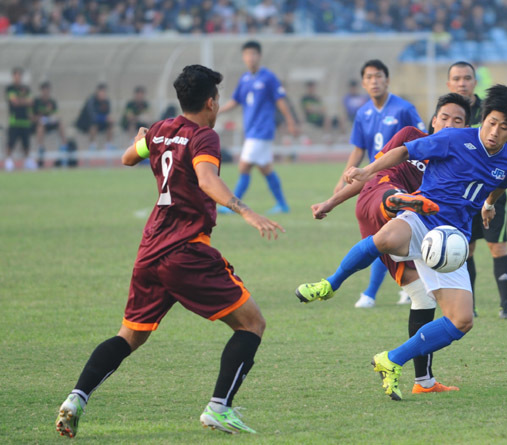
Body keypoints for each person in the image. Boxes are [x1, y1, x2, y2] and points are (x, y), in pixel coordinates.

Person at [55, 64, 284, 438]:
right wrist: (245, 210)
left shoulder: (161, 129)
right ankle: (219, 409)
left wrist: (140, 141)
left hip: (151, 250)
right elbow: (208, 179)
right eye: (218, 100)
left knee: (130, 335)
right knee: (252, 324)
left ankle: (76, 399)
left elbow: (128, 157)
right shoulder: (204, 137)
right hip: (186, 250)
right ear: (211, 102)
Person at [295, 84, 507, 401]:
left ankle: (391, 360)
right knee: (385, 238)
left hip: (451, 242)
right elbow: (406, 151)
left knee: (462, 320)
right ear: (483, 118)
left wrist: (489, 205)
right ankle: (330, 283)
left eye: (504, 128)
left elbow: (498, 184)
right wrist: (366, 171)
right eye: (491, 122)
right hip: (423, 218)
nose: (494, 132)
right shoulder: (453, 138)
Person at [303, 93, 472, 394]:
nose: (448, 124)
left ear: (465, 127)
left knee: (423, 296)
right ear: (433, 121)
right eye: (444, 118)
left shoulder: (458, 159)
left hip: (412, 228)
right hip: (380, 199)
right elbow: (372, 170)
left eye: (457, 121)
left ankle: (423, 382)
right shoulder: (411, 138)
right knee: (393, 198)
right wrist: (331, 202)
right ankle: (333, 281)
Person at [336, 59, 426, 309]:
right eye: (369, 77)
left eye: (379, 76)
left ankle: (371, 293)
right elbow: (358, 149)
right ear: (363, 83)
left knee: (383, 237)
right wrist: (342, 181)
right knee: (384, 237)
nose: (374, 81)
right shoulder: (363, 113)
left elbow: (421, 141)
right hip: (373, 181)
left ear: (387, 80)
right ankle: (405, 287)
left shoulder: (404, 109)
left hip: (401, 181)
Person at [446, 61, 507, 319]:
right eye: (456, 78)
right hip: (461, 196)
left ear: (474, 81)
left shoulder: (493, 111)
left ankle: (505, 305)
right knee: (464, 250)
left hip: (492, 194)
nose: (462, 83)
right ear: (449, 83)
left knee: (497, 247)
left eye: (467, 78)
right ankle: (471, 305)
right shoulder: (446, 113)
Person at [218, 40, 298, 214]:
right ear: (243, 57)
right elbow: (235, 101)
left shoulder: (268, 77)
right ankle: (282, 204)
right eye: (247, 54)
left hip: (262, 130)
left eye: (254, 54)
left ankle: (233, 205)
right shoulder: (245, 79)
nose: (250, 57)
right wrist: (218, 111)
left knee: (244, 166)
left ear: (259, 56)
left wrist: (290, 121)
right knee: (265, 168)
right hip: (251, 130)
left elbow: (281, 101)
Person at [5, 67, 33, 171]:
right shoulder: (10, 88)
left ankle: (27, 161)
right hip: (14, 120)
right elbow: (14, 102)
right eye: (16, 75)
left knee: (26, 143)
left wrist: (20, 101)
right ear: (13, 77)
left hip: (25, 121)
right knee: (11, 142)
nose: (18, 77)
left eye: (20, 75)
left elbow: (30, 101)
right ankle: (8, 161)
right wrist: (24, 101)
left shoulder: (26, 88)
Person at [33, 81, 68, 160]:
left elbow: (57, 114)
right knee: (40, 127)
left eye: (47, 90)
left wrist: (53, 118)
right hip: (40, 123)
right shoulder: (37, 102)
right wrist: (39, 118)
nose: (46, 92)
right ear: (41, 91)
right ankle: (41, 147)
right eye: (44, 90)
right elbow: (33, 116)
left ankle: (64, 146)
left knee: (61, 124)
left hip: (50, 122)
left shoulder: (52, 102)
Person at [76, 83, 115, 150]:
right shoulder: (91, 100)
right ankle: (92, 145)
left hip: (100, 123)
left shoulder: (106, 101)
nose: (103, 94)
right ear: (97, 92)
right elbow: (92, 116)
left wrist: (109, 119)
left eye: (104, 92)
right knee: (94, 125)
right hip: (86, 123)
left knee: (110, 123)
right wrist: (105, 118)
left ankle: (108, 145)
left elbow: (107, 115)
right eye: (101, 91)